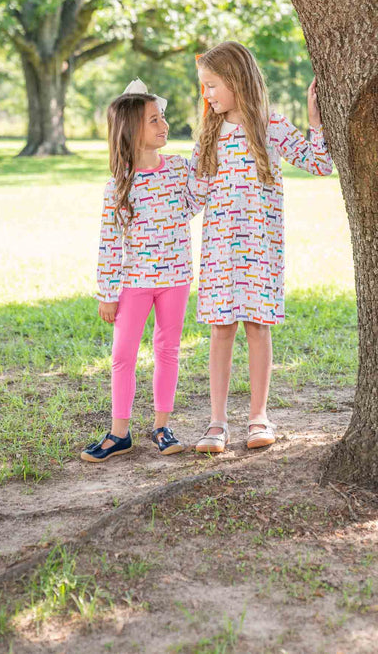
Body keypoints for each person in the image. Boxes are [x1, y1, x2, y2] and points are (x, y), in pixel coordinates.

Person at [189, 42, 333, 453]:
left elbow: (319, 163)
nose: (208, 95)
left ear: (236, 80)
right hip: (219, 253)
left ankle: (258, 417)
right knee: (221, 330)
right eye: (204, 87)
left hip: (260, 251)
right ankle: (216, 422)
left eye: (213, 85)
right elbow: (191, 198)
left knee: (257, 327)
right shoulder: (210, 135)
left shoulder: (270, 126)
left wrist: (315, 121)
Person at [81, 79, 197, 462]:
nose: (164, 125)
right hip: (133, 284)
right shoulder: (118, 185)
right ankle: (119, 433)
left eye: (162, 117)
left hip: (176, 278)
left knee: (167, 350)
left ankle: (162, 427)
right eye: (153, 120)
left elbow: (196, 202)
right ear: (132, 130)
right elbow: (110, 243)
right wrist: (107, 292)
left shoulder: (179, 168)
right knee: (123, 354)